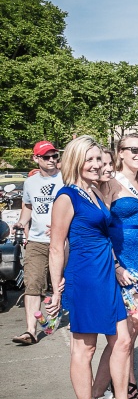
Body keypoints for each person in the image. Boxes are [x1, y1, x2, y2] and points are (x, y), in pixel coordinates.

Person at [48, 136, 138, 399]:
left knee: (122, 340)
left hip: (106, 273)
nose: (96, 165)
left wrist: (117, 267)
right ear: (76, 161)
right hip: (86, 278)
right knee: (85, 348)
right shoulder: (67, 196)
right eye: (89, 159)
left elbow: (106, 237)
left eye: (99, 160)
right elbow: (55, 246)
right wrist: (56, 290)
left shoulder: (92, 192)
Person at [102, 134, 138, 399]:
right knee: (133, 322)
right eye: (133, 150)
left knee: (130, 327)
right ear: (120, 152)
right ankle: (116, 383)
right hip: (123, 259)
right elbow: (101, 226)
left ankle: (124, 381)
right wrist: (115, 264)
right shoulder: (111, 183)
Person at [12, 140, 64, 345]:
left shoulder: (66, 179)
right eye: (46, 157)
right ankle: (30, 331)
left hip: (64, 240)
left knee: (64, 281)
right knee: (32, 283)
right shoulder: (30, 183)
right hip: (37, 240)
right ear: (36, 159)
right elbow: (28, 206)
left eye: (54, 156)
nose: (51, 160)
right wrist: (21, 222)